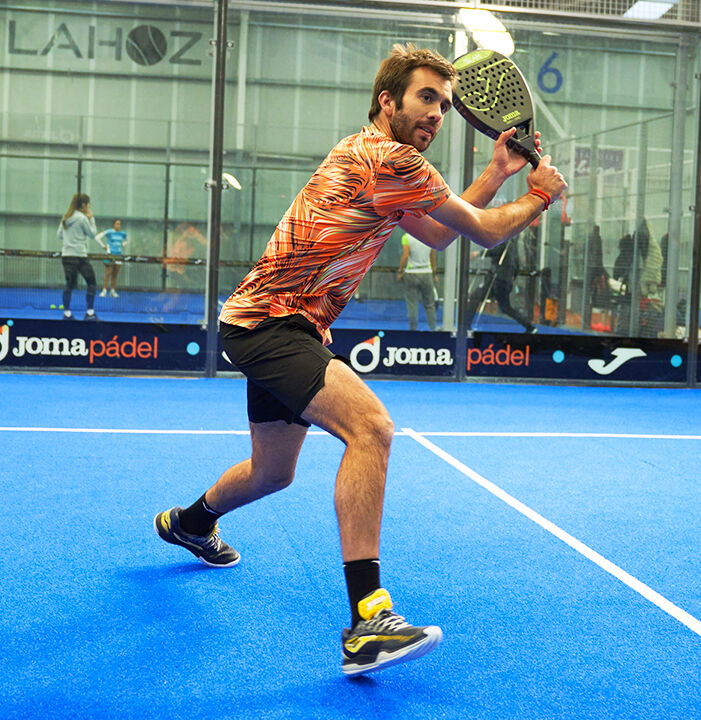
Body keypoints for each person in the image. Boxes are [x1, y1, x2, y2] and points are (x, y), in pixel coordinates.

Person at [154, 44, 566, 676]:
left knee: (274, 473)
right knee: (371, 429)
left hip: (274, 323)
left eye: (446, 105)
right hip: (273, 324)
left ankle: (190, 522)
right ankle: (368, 620)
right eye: (426, 98)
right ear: (388, 102)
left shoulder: (381, 160)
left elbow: (435, 230)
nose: (437, 114)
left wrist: (501, 173)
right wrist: (538, 196)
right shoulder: (388, 156)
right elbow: (481, 230)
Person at [465, 238, 537, 333]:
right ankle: (529, 327)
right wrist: (513, 275)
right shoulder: (511, 242)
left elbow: (497, 250)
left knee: (477, 298)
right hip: (501, 279)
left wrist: (478, 253)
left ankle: (466, 325)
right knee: (504, 307)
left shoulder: (505, 240)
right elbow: (516, 261)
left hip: (497, 279)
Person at [57, 193, 99, 321]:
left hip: (67, 256)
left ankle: (67, 314)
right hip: (80, 257)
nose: (89, 206)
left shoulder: (66, 217)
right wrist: (91, 219)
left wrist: (71, 237)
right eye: (88, 204)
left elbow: (59, 235)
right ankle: (90, 313)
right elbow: (92, 234)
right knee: (91, 283)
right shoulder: (82, 218)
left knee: (69, 285)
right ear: (83, 205)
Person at [397, 231, 438, 330]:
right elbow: (432, 257)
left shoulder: (406, 237)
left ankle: (413, 330)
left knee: (412, 304)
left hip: (411, 273)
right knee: (430, 305)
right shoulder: (430, 236)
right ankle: (433, 329)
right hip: (426, 273)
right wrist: (434, 274)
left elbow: (405, 256)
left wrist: (400, 271)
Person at [96, 219, 128, 298]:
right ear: (113, 224)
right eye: (117, 224)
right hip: (110, 255)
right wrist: (104, 246)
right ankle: (104, 290)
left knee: (115, 274)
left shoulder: (122, 233)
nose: (118, 225)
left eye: (120, 224)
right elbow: (97, 237)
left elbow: (127, 240)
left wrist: (123, 244)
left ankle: (112, 291)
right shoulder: (109, 232)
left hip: (118, 255)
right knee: (108, 273)